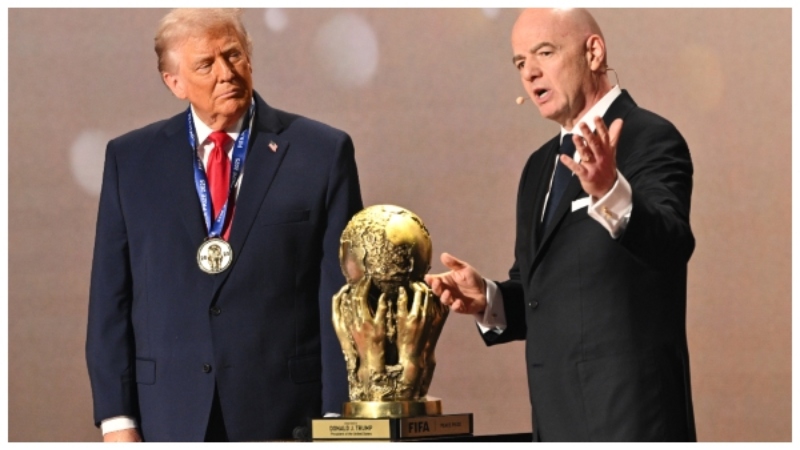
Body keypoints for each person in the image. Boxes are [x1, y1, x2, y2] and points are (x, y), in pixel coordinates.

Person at [85, 9, 363, 442]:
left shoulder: (321, 153)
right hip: (168, 414)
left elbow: (342, 298)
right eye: (205, 64)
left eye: (233, 55)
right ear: (174, 83)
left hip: (287, 413)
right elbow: (110, 298)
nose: (226, 73)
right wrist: (117, 420)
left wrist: (338, 416)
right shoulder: (131, 161)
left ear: (249, 57)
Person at [426, 8, 696, 441]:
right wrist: (489, 299)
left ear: (593, 52)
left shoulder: (648, 136)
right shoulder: (539, 166)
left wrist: (609, 190)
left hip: (630, 421)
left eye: (545, 53)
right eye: (520, 62)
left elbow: (671, 244)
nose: (529, 73)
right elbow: (543, 297)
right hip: (555, 422)